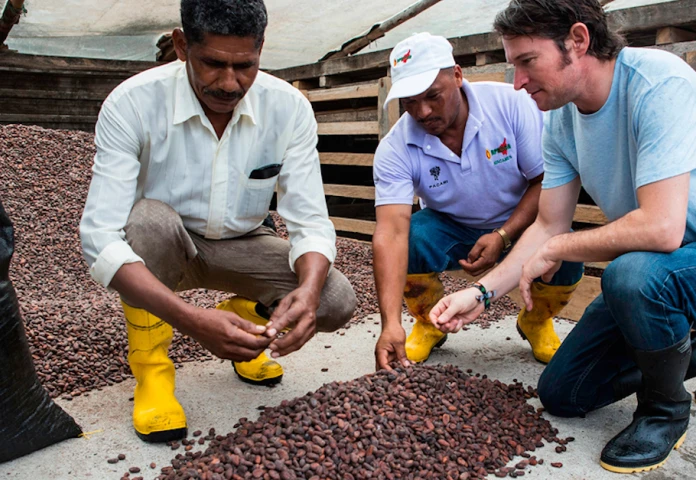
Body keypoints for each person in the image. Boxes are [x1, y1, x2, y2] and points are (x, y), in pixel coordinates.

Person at [429, 0, 696, 474]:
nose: (517, 83)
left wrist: (557, 249)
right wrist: (481, 292)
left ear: (578, 41)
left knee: (632, 272)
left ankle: (664, 412)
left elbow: (660, 228)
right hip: (665, 271)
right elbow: (548, 224)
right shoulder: (559, 119)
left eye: (527, 62)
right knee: (564, 394)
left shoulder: (659, 83)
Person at [79, 0, 356, 443]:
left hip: (245, 240)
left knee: (334, 299)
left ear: (261, 49)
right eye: (213, 64)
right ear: (182, 44)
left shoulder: (288, 109)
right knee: (148, 223)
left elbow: (311, 223)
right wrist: (191, 321)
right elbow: (98, 237)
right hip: (164, 246)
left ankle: (243, 324)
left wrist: (304, 292)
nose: (229, 83)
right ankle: (152, 373)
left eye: (244, 65)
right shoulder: (132, 103)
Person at [372, 32, 583, 371]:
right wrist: (390, 324)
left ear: (457, 75)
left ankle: (536, 320)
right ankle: (427, 321)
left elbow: (544, 180)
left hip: (523, 223)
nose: (422, 112)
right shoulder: (396, 148)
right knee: (412, 238)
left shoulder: (511, 105)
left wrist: (504, 235)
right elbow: (390, 233)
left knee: (565, 247)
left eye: (432, 96)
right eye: (409, 103)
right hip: (451, 227)